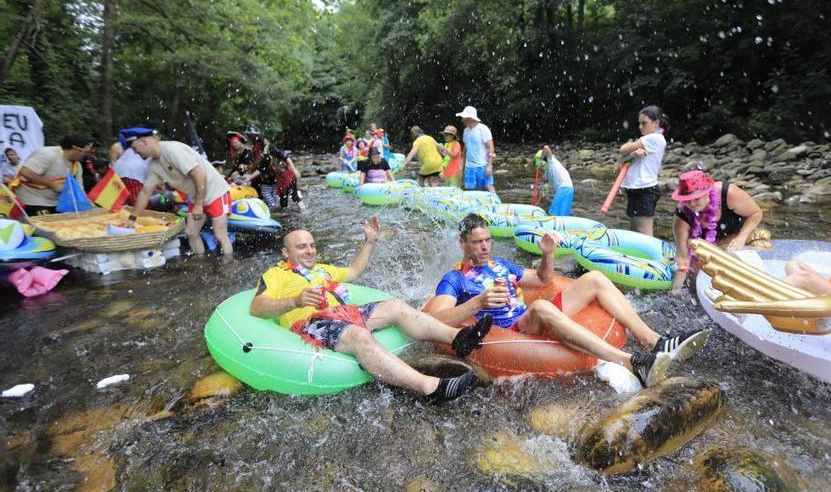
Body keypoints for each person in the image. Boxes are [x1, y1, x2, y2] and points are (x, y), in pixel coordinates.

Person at [425, 214, 709, 388]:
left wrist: (548, 254)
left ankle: (654, 341)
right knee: (540, 306)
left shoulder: (500, 264)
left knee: (595, 278)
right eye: (477, 242)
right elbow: (433, 321)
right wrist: (478, 302)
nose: (485, 246)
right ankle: (631, 361)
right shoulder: (455, 279)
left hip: (532, 318)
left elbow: (542, 280)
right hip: (511, 331)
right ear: (462, 243)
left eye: (487, 240)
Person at [249, 217, 492, 402]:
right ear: (286, 252)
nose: (310, 250)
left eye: (312, 245)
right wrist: (295, 301)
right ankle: (430, 387)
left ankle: (459, 338)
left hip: (345, 313)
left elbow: (353, 272)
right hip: (311, 322)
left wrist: (370, 241)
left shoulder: (322, 270)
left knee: (396, 305)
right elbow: (258, 306)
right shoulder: (275, 275)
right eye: (302, 247)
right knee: (357, 335)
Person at [120, 127, 233, 257]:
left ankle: (228, 266)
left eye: (134, 148)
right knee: (191, 232)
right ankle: (201, 263)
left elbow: (199, 174)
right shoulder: (154, 165)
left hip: (215, 191)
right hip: (196, 195)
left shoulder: (172, 150)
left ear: (144, 141)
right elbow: (145, 193)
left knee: (220, 234)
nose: (135, 153)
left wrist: (198, 204)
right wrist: (132, 218)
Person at [670, 170, 766, 295]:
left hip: (737, 236)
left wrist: (741, 237)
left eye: (696, 198)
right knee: (694, 274)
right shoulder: (682, 216)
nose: (692, 204)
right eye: (687, 200)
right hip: (709, 245)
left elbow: (756, 213)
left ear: (707, 193)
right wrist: (676, 289)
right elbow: (683, 257)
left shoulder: (729, 194)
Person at [617, 105, 668, 236]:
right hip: (637, 189)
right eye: (639, 123)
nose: (640, 126)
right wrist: (633, 153)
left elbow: (622, 149)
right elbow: (622, 158)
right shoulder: (647, 140)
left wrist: (630, 148)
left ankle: (651, 257)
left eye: (644, 123)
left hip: (645, 189)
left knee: (644, 233)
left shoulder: (654, 138)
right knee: (635, 232)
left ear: (656, 122)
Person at [15, 134, 94, 215]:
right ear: (75, 149)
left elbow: (79, 187)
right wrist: (53, 185)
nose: (88, 156)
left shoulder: (77, 165)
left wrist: (86, 202)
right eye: (86, 152)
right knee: (45, 226)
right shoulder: (48, 154)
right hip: (33, 198)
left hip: (57, 202)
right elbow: (25, 172)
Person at [456, 106, 496, 193]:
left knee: (489, 186)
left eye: (464, 118)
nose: (462, 120)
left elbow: (491, 147)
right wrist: (462, 165)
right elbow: (465, 149)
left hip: (482, 165)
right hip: (469, 167)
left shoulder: (483, 129)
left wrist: (489, 165)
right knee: (472, 190)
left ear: (470, 118)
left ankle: (496, 205)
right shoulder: (466, 131)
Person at [536, 145, 574, 217]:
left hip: (564, 188)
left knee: (553, 213)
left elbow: (546, 148)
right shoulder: (546, 174)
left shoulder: (551, 161)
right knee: (563, 216)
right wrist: (537, 204)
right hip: (568, 189)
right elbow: (543, 191)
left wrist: (540, 160)